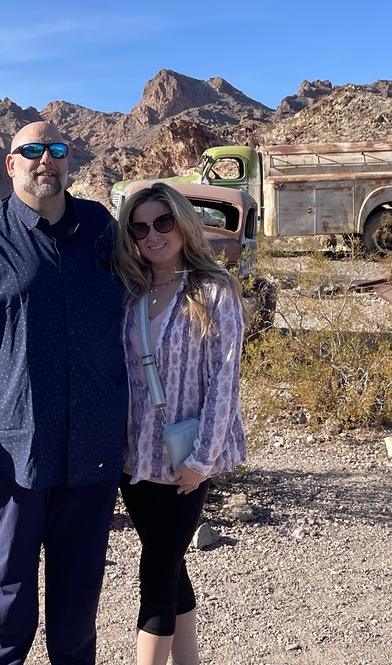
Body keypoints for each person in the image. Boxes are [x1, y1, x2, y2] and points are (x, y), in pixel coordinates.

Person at [0, 120, 128, 665]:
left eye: (57, 149)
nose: (47, 160)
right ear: (11, 164)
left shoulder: (101, 229)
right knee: (12, 578)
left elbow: (145, 297)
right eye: (32, 150)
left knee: (80, 584)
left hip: (95, 440)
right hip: (16, 443)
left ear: (69, 161)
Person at [113, 182, 247, 665]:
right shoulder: (130, 291)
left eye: (163, 222)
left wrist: (201, 460)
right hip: (135, 458)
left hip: (184, 460)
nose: (153, 235)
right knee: (168, 563)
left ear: (183, 224)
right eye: (140, 227)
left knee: (155, 573)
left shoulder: (213, 291)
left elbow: (224, 380)